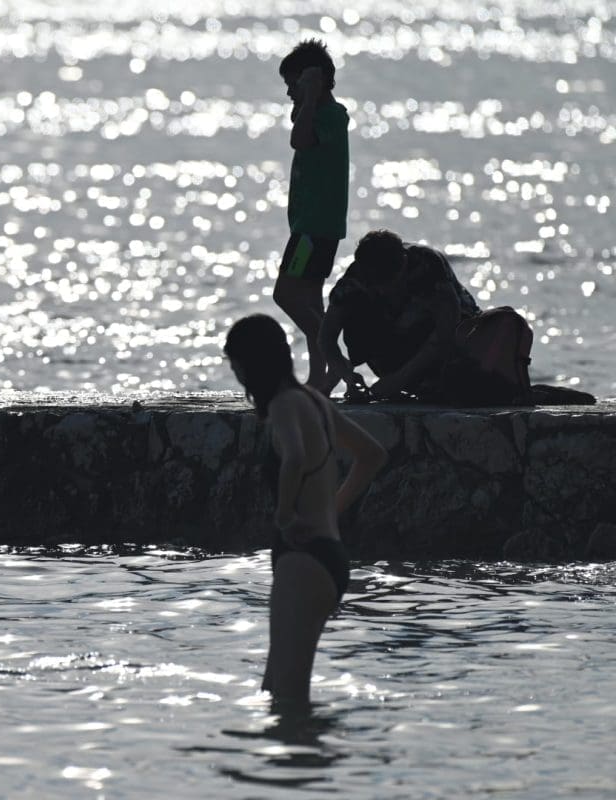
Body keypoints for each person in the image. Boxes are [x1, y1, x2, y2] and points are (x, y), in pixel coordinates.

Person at [224, 314, 386, 707]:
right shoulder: (315, 401)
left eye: (236, 366)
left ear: (251, 364)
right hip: (328, 557)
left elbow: (295, 457)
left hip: (303, 562)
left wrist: (284, 514)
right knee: (274, 690)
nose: (238, 376)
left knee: (289, 700)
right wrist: (332, 509)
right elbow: (372, 455)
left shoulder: (284, 405)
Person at [272, 39, 350, 394]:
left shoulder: (332, 116)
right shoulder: (313, 112)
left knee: (286, 295)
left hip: (314, 230)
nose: (289, 92)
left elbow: (299, 139)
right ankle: (320, 378)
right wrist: (307, 95)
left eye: (294, 84)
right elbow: (297, 121)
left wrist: (312, 93)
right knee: (311, 300)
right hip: (312, 227)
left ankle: (337, 362)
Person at [319, 229, 480, 400]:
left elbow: (446, 330)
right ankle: (404, 379)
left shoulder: (427, 265)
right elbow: (326, 338)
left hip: (453, 337)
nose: (384, 290)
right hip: (398, 338)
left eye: (390, 282)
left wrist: (399, 379)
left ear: (404, 262)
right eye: (376, 285)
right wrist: (347, 376)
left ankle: (429, 380)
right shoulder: (354, 280)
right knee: (357, 315)